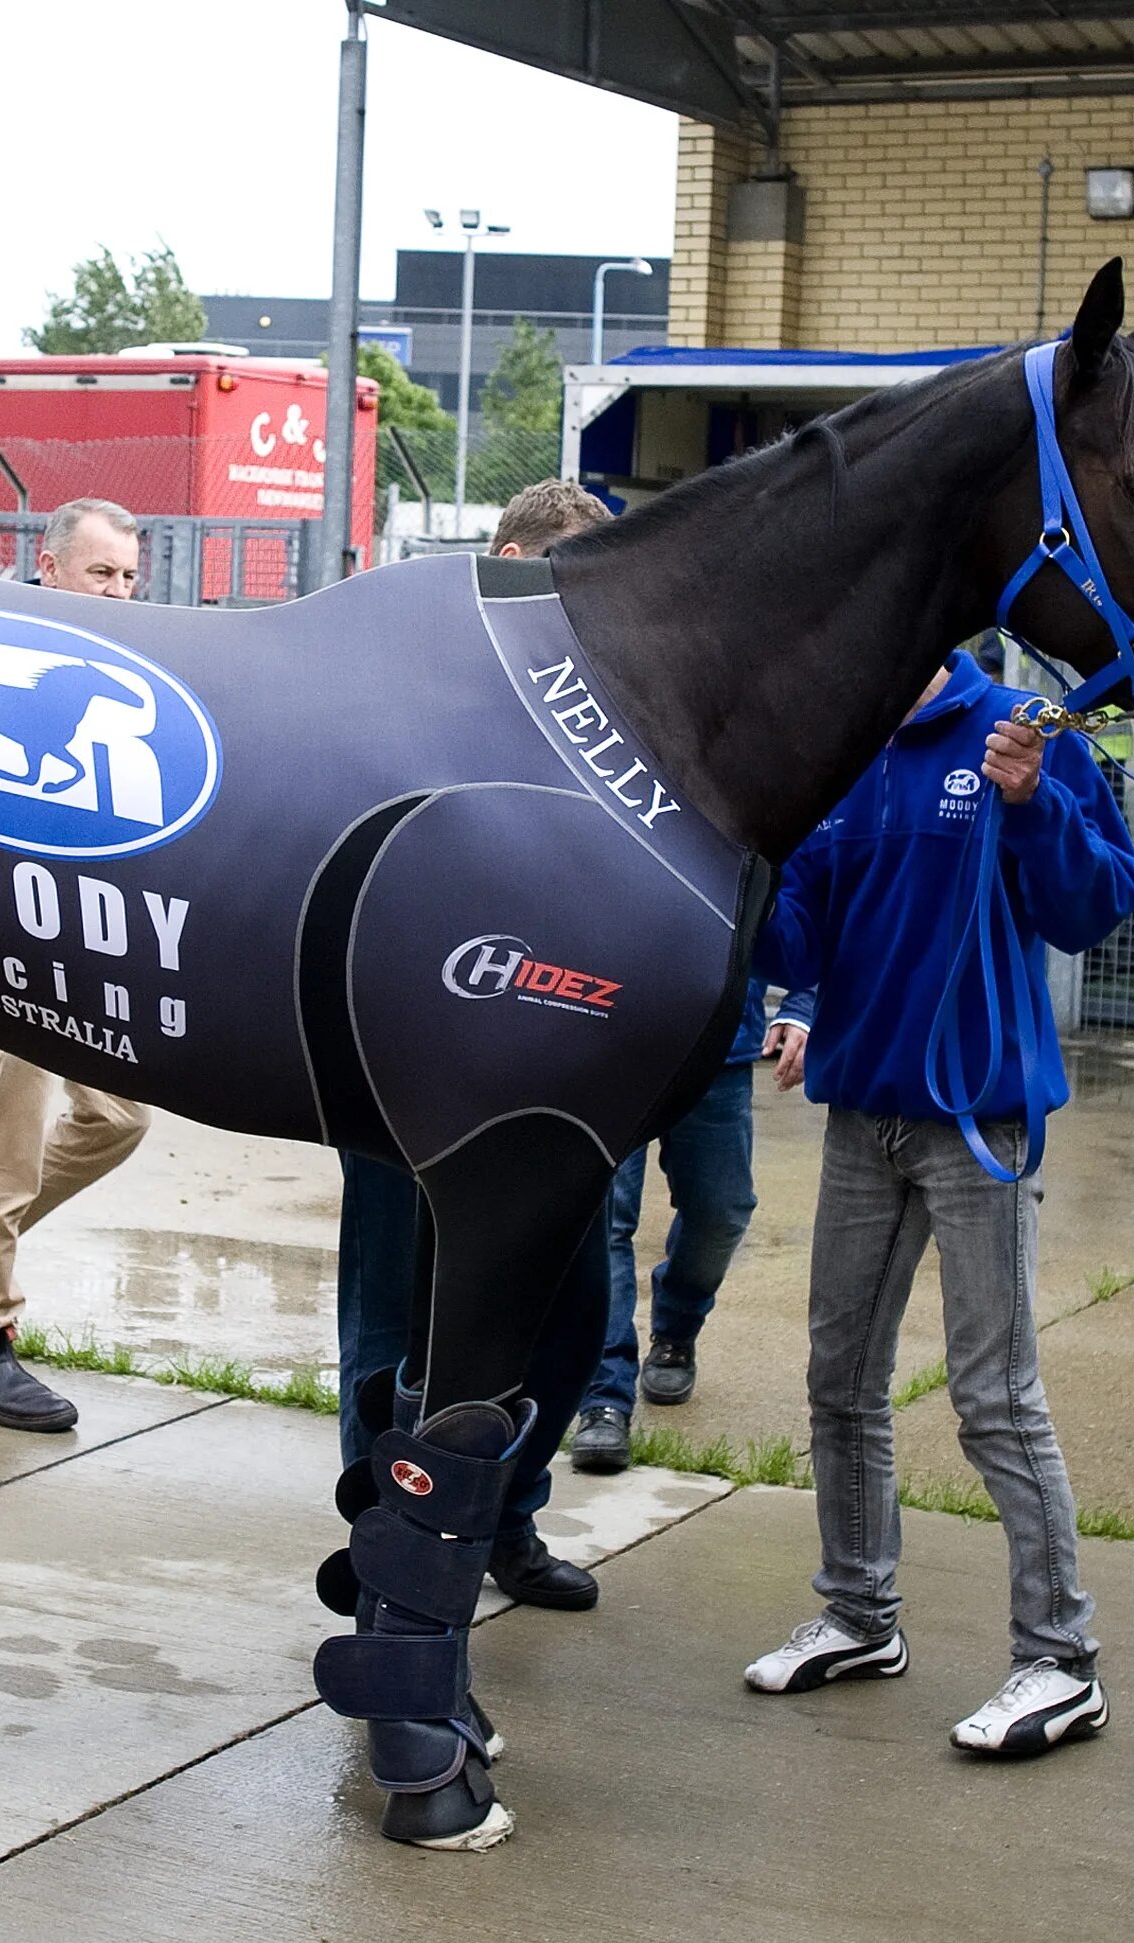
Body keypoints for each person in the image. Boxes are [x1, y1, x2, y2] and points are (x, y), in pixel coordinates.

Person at [745, 645, 1134, 1759]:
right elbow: (801, 942)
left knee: (995, 1396)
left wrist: (1029, 805)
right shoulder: (840, 745)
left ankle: (1061, 1662)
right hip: (863, 1117)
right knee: (840, 1379)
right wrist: (754, 855)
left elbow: (1096, 904)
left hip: (978, 1119)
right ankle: (861, 1615)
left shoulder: (1022, 726)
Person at [335, 477, 614, 1610]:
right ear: (505, 556)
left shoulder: (589, 694)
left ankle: (506, 1516)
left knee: (567, 1309)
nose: (577, 609)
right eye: (561, 581)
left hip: (546, 1064)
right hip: (404, 1060)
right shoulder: (406, 672)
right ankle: (384, 1541)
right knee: (396, 1320)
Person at [0, 498, 153, 1433]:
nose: (119, 590)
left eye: (129, 574)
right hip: (0, 927)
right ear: (50, 567)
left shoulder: (120, 659)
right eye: (101, 572)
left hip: (80, 928)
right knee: (5, 1139)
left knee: (119, 1117)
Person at [563, 976, 792, 1473]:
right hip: (607, 1040)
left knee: (722, 1212)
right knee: (603, 1224)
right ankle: (603, 1397)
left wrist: (804, 1004)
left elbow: (811, 908)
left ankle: (677, 1330)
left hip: (717, 1046)